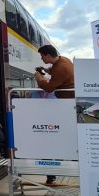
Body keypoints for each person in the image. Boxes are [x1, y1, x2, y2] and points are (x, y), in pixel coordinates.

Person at [34, 45, 75, 184]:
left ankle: (54, 170)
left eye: (42, 56)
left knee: (52, 138)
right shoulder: (64, 60)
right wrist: (47, 71)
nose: (41, 59)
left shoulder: (60, 67)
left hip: (62, 106)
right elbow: (56, 72)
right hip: (64, 105)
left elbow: (49, 87)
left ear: (47, 55)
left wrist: (40, 79)